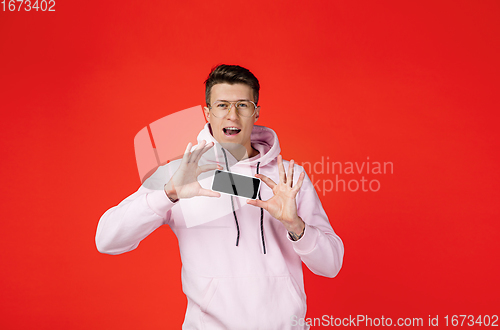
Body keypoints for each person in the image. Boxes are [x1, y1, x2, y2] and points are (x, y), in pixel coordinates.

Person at [96, 64, 344, 329]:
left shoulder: (289, 178)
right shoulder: (180, 174)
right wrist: (167, 194)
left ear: (256, 112)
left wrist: (296, 226)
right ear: (208, 113)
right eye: (222, 105)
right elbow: (107, 240)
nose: (232, 116)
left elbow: (331, 265)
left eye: (243, 105)